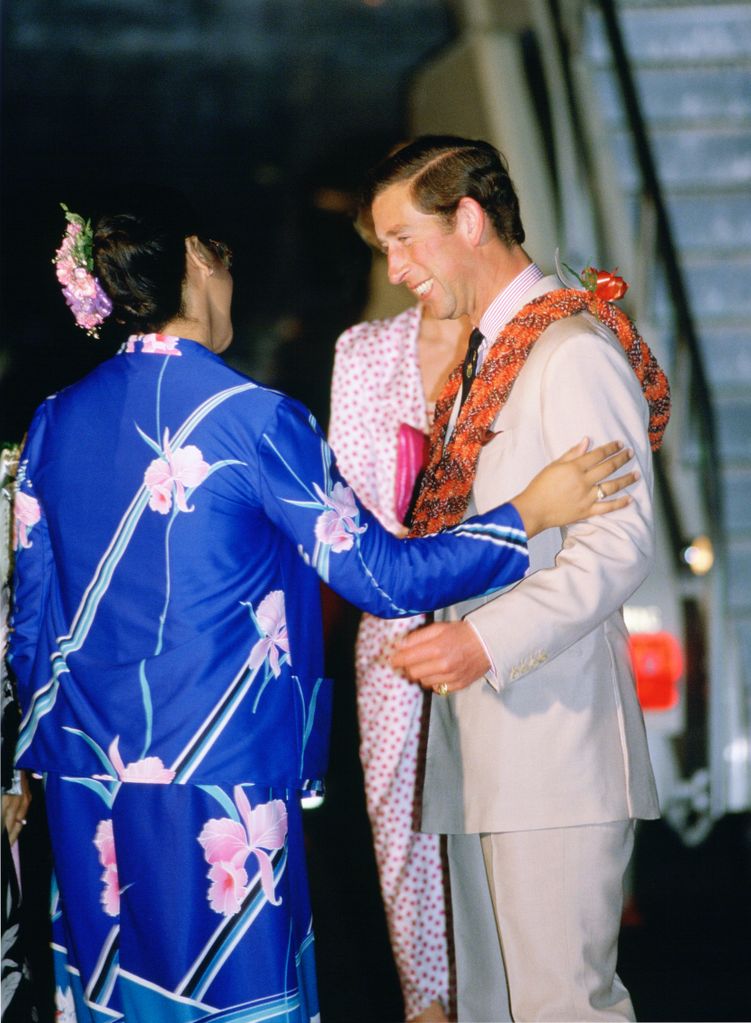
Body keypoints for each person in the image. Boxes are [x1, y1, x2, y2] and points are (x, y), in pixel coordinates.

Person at [9, 191, 633, 1023]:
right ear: (198, 260)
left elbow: (31, 618)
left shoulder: (55, 421)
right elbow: (382, 578)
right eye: (222, 258)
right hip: (217, 774)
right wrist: (528, 512)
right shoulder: (255, 419)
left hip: (87, 778)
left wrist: (23, 763)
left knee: (117, 1000)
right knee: (232, 998)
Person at [365, 135, 671, 1022]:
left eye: (403, 238)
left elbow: (617, 548)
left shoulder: (568, 350)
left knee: (561, 1007)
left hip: (555, 744)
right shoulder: (491, 356)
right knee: (495, 1007)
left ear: (467, 218)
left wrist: (478, 639)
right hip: (493, 744)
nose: (395, 270)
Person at [329, 299, 469, 1022]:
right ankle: (428, 1003)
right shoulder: (364, 349)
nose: (398, 261)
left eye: (406, 236)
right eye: (385, 244)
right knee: (405, 829)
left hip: (498, 607)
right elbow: (346, 512)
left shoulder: (530, 328)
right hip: (394, 619)